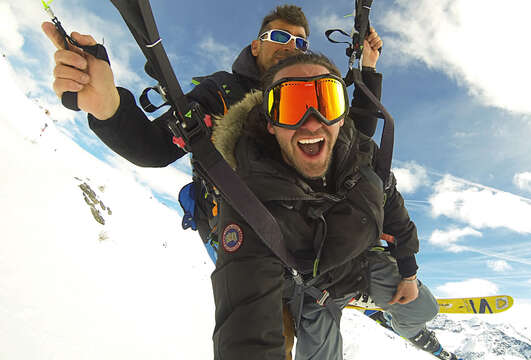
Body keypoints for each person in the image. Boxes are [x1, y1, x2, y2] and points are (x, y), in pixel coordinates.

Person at [41, 4, 383, 243]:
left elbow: (356, 137)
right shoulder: (222, 91)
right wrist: (110, 108)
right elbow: (155, 147)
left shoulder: (311, 94)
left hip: (308, 226)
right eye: (280, 37)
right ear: (256, 45)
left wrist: (368, 68)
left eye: (300, 42)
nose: (292, 46)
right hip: (241, 231)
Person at [210, 52, 458, 360]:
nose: (311, 123)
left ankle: (409, 327)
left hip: (361, 266)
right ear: (270, 122)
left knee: (425, 308)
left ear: (341, 116)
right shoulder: (249, 196)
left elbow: (393, 208)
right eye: (291, 106)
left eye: (326, 102)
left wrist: (408, 271)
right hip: (315, 292)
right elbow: (245, 316)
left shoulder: (364, 157)